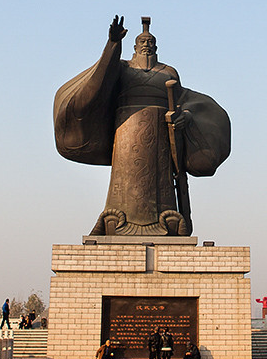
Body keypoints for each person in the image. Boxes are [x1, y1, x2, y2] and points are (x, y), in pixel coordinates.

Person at [54, 16, 231, 237]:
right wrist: (113, 44)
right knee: (126, 181)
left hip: (160, 134)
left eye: (150, 43)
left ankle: (166, 219)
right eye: (142, 42)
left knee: (161, 184)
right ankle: (117, 219)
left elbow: (182, 99)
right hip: (127, 127)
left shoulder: (169, 72)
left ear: (156, 47)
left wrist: (184, 116)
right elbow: (101, 76)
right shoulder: (123, 67)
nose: (146, 45)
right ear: (135, 46)